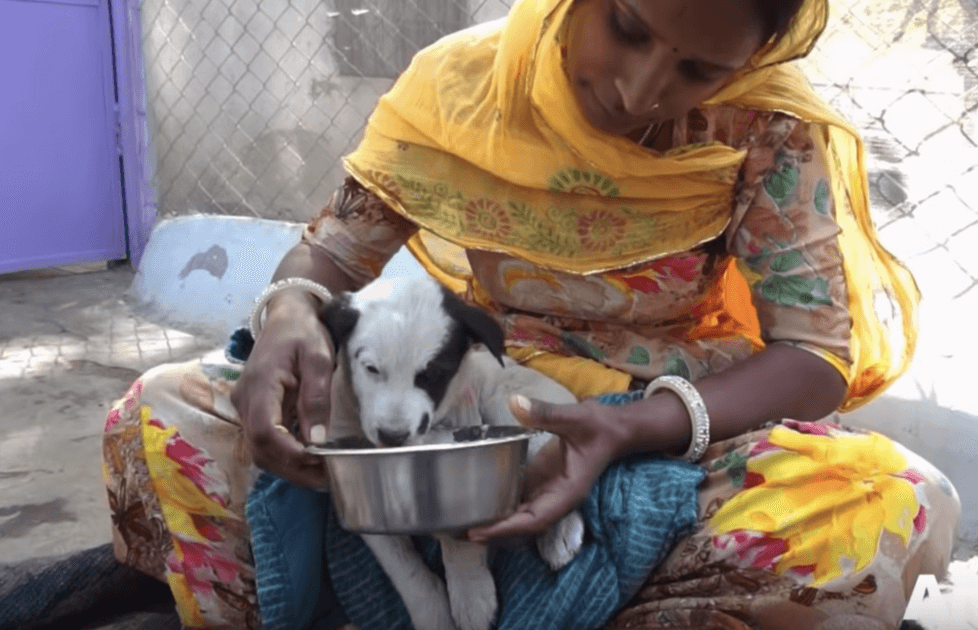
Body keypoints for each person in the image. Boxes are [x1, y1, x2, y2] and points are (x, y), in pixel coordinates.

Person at [101, 0, 962, 627]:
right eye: (626, 26)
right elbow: (332, 250)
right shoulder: (463, 87)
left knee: (886, 501)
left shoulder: (768, 126)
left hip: (663, 410)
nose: (638, 88)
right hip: (471, 397)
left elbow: (813, 357)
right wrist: (289, 307)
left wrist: (632, 429)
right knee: (162, 417)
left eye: (698, 69)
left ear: (756, 52)